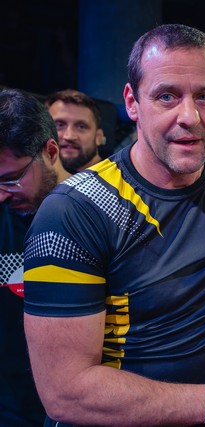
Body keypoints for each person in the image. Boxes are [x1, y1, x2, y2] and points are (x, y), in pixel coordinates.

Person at [22, 23, 205, 426]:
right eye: (167, 96)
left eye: (204, 96)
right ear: (132, 102)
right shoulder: (74, 211)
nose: (189, 117)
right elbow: (65, 394)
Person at [0, 88, 71, 427]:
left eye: (10, 180)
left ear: (51, 152)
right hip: (10, 406)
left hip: (78, 408)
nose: (1, 195)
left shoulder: (96, 217)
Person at [44, 89, 105, 171]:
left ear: (98, 137)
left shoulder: (115, 177)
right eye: (59, 125)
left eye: (81, 127)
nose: (69, 136)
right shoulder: (33, 176)